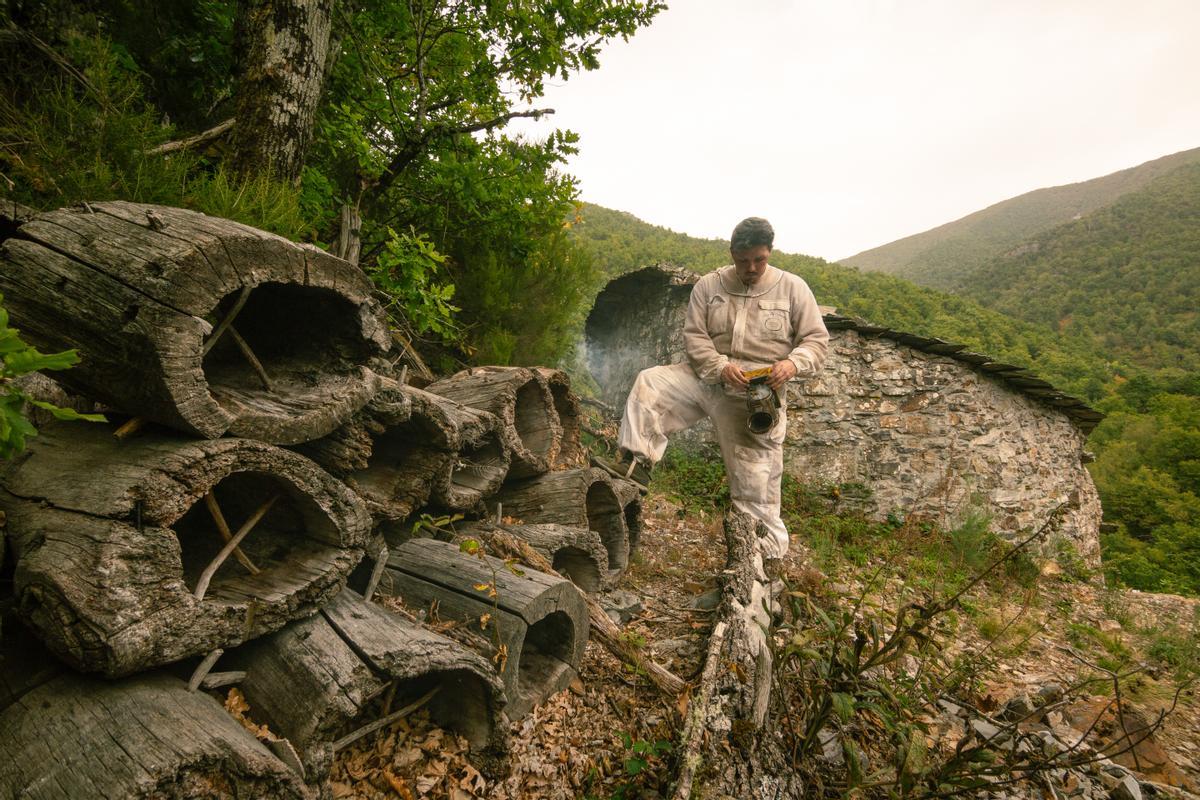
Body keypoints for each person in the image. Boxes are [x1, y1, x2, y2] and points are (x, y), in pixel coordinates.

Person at [606, 217, 829, 557]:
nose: (751, 268)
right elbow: (695, 337)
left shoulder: (793, 288)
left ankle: (763, 567)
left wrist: (792, 363)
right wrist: (721, 367)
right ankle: (633, 467)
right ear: (732, 253)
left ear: (769, 252)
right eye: (743, 261)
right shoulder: (709, 287)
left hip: (757, 395)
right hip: (708, 377)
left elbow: (815, 340)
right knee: (650, 383)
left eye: (759, 260)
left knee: (756, 487)